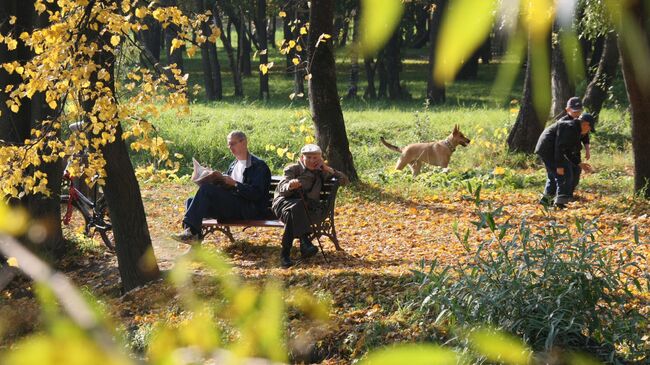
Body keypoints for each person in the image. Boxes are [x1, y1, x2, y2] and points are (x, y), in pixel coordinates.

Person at [171, 131, 271, 243]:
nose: (230, 147)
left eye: (233, 144)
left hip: (247, 209)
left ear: (244, 142)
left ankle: (191, 233)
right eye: (229, 144)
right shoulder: (234, 165)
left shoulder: (258, 165)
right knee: (190, 201)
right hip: (231, 206)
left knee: (206, 190)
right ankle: (193, 238)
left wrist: (236, 184)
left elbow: (256, 194)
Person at [272, 144, 349, 268]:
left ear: (320, 159)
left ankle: (285, 254)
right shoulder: (293, 169)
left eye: (315, 158)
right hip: (284, 203)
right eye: (309, 157)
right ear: (302, 158)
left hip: (301, 209)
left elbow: (345, 181)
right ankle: (304, 242)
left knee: (294, 211)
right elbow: (282, 189)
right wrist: (291, 185)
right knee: (296, 207)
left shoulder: (322, 172)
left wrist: (327, 169)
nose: (312, 161)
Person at [535, 113, 596, 208]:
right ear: (585, 124)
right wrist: (559, 166)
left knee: (555, 176)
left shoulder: (575, 129)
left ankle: (546, 202)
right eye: (589, 128)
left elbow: (567, 151)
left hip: (550, 150)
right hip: (548, 149)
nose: (588, 131)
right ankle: (560, 202)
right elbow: (560, 148)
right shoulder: (570, 128)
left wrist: (579, 163)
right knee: (563, 174)